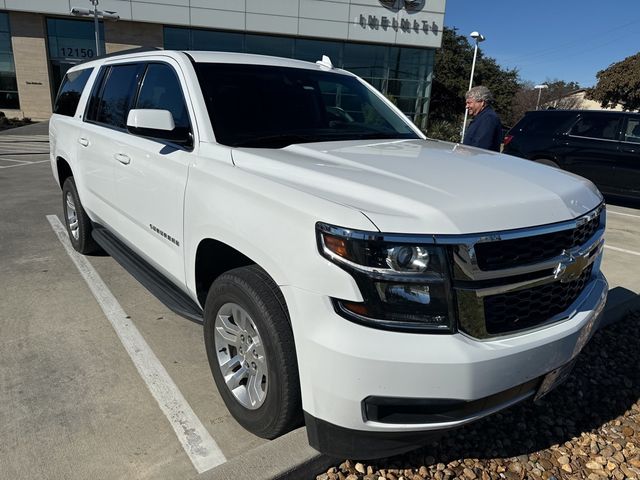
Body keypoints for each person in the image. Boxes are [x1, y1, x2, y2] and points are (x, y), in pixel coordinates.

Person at [462, 86, 502, 152]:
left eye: (469, 103)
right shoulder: (481, 117)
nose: (466, 106)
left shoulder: (489, 118)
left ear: (482, 103)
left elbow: (480, 147)